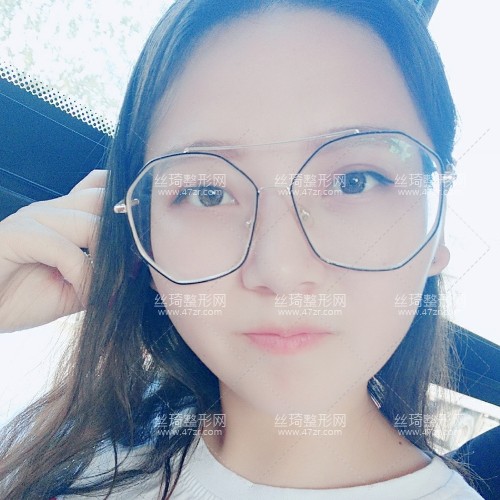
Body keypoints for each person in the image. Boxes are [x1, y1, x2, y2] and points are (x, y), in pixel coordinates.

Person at [0, 0, 485, 498]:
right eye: (208, 193)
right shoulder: (76, 452)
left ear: (437, 230)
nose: (280, 270)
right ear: (141, 236)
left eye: (355, 181)